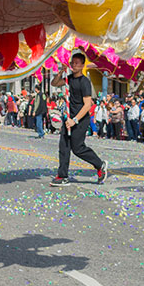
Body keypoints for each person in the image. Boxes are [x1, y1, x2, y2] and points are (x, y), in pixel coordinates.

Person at [49, 51, 108, 186]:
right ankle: (62, 175)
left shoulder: (85, 82)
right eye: (72, 63)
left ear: (82, 65)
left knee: (78, 148)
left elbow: (87, 105)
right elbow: (54, 84)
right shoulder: (69, 79)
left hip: (80, 119)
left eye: (76, 63)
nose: (73, 65)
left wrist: (74, 120)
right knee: (63, 146)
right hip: (68, 117)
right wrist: (60, 72)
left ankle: (100, 165)